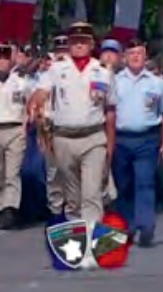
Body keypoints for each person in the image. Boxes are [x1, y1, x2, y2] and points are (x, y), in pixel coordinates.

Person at [29, 22, 113, 222]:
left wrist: (110, 142)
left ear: (91, 44)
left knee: (91, 195)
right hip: (64, 139)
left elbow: (110, 109)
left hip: (93, 138)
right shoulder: (57, 69)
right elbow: (41, 91)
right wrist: (35, 103)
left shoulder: (102, 70)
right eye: (75, 41)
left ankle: (92, 240)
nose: (78, 45)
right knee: (73, 198)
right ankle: (77, 236)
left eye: (83, 41)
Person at [106, 38, 163, 246]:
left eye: (139, 53)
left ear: (145, 57)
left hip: (147, 139)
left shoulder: (157, 83)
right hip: (121, 139)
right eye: (131, 53)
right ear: (125, 57)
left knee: (145, 182)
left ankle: (146, 226)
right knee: (124, 185)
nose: (135, 57)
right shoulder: (114, 81)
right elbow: (108, 112)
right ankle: (128, 226)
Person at [0, 42, 31, 229]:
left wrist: (27, 123)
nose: (2, 61)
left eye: (5, 56)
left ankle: (9, 209)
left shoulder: (22, 81)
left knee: (12, 172)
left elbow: (31, 104)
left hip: (15, 129)